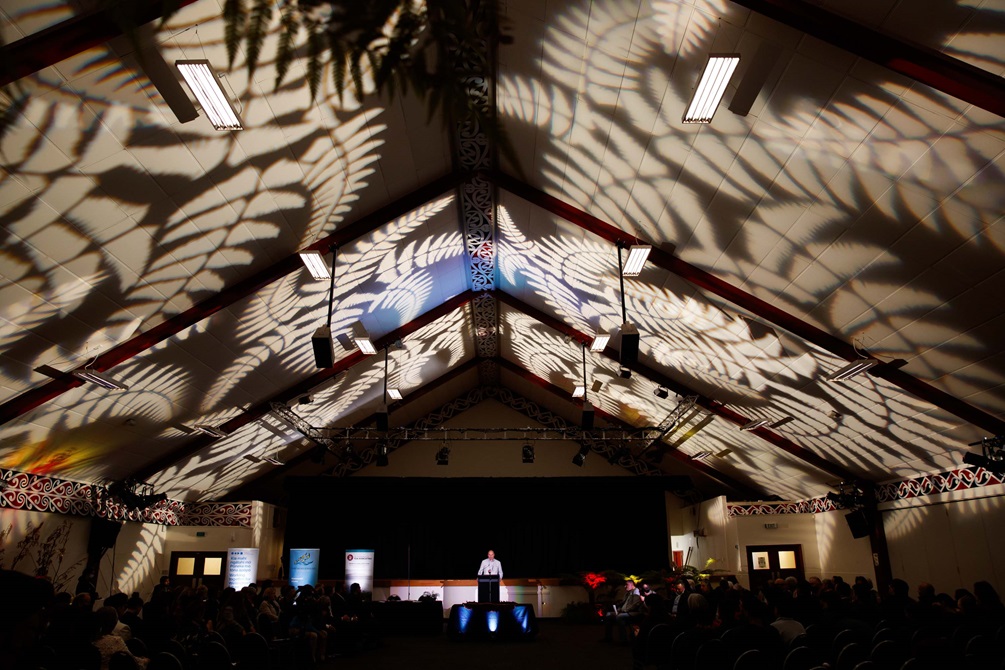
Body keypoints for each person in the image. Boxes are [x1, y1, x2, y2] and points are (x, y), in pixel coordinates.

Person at [603, 579, 643, 644]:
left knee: (620, 617)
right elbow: (623, 603)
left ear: (632, 584)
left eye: (626, 584)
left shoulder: (636, 592)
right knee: (608, 614)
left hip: (633, 613)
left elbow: (634, 605)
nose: (625, 586)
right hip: (625, 611)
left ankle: (623, 640)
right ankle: (608, 637)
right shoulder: (627, 593)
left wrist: (623, 611)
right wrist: (618, 609)